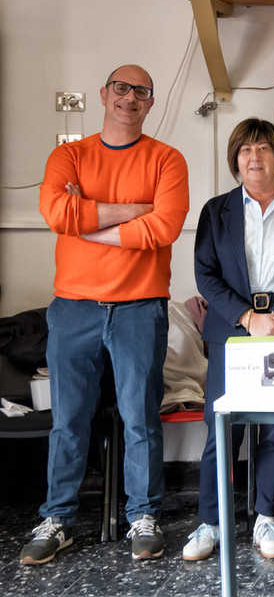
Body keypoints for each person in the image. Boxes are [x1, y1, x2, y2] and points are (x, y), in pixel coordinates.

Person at [26, 65, 189, 564]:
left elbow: (163, 228)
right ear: (104, 94)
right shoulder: (68, 156)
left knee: (141, 418)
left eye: (141, 91)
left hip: (140, 308)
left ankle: (144, 515)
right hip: (73, 308)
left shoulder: (167, 160)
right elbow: (57, 214)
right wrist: (131, 209)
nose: (129, 97)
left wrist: (88, 220)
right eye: (121, 88)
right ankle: (57, 519)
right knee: (68, 420)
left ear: (150, 102)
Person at [186, 118, 274, 561]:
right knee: (223, 427)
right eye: (245, 150)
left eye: (262, 148)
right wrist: (246, 316)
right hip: (232, 333)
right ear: (235, 159)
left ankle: (266, 518)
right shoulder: (215, 210)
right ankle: (211, 521)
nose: (254, 157)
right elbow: (206, 274)